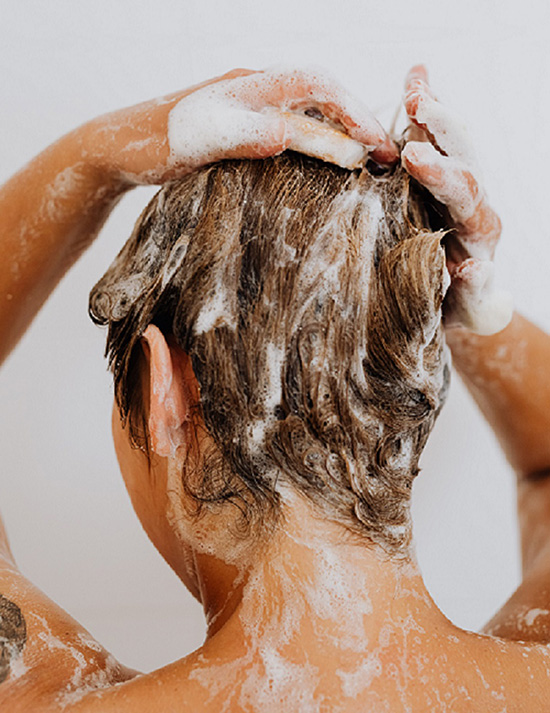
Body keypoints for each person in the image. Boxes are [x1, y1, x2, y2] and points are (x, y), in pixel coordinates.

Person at [0, 64, 548, 713]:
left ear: (164, 389)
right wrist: (471, 303)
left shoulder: (39, 695)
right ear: (406, 386)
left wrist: (95, 159)